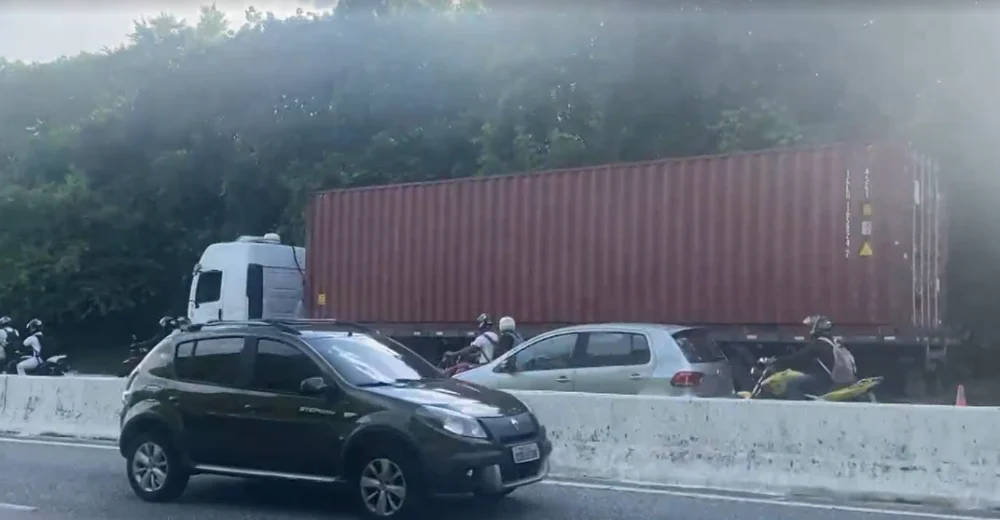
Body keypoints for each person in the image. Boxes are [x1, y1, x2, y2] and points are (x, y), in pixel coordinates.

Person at [770, 315, 857, 400]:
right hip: (837, 379)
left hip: (824, 380)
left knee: (793, 384)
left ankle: (797, 408)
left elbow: (798, 358)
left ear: (816, 328)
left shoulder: (818, 344)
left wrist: (777, 361)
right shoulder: (833, 342)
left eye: (810, 327)